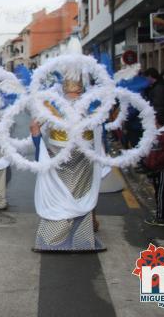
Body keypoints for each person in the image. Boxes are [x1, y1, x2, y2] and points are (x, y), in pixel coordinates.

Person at [30, 79, 105, 252]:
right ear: (81, 89)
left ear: (63, 89)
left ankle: (53, 237)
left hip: (59, 156)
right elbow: (100, 128)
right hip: (84, 157)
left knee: (59, 192)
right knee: (80, 193)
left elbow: (34, 126)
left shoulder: (52, 106)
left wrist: (40, 150)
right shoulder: (90, 104)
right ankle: (81, 238)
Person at [142, 112, 164, 226]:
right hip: (156, 168)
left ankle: (161, 217)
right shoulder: (157, 134)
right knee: (159, 191)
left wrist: (156, 161)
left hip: (162, 168)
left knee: (160, 192)